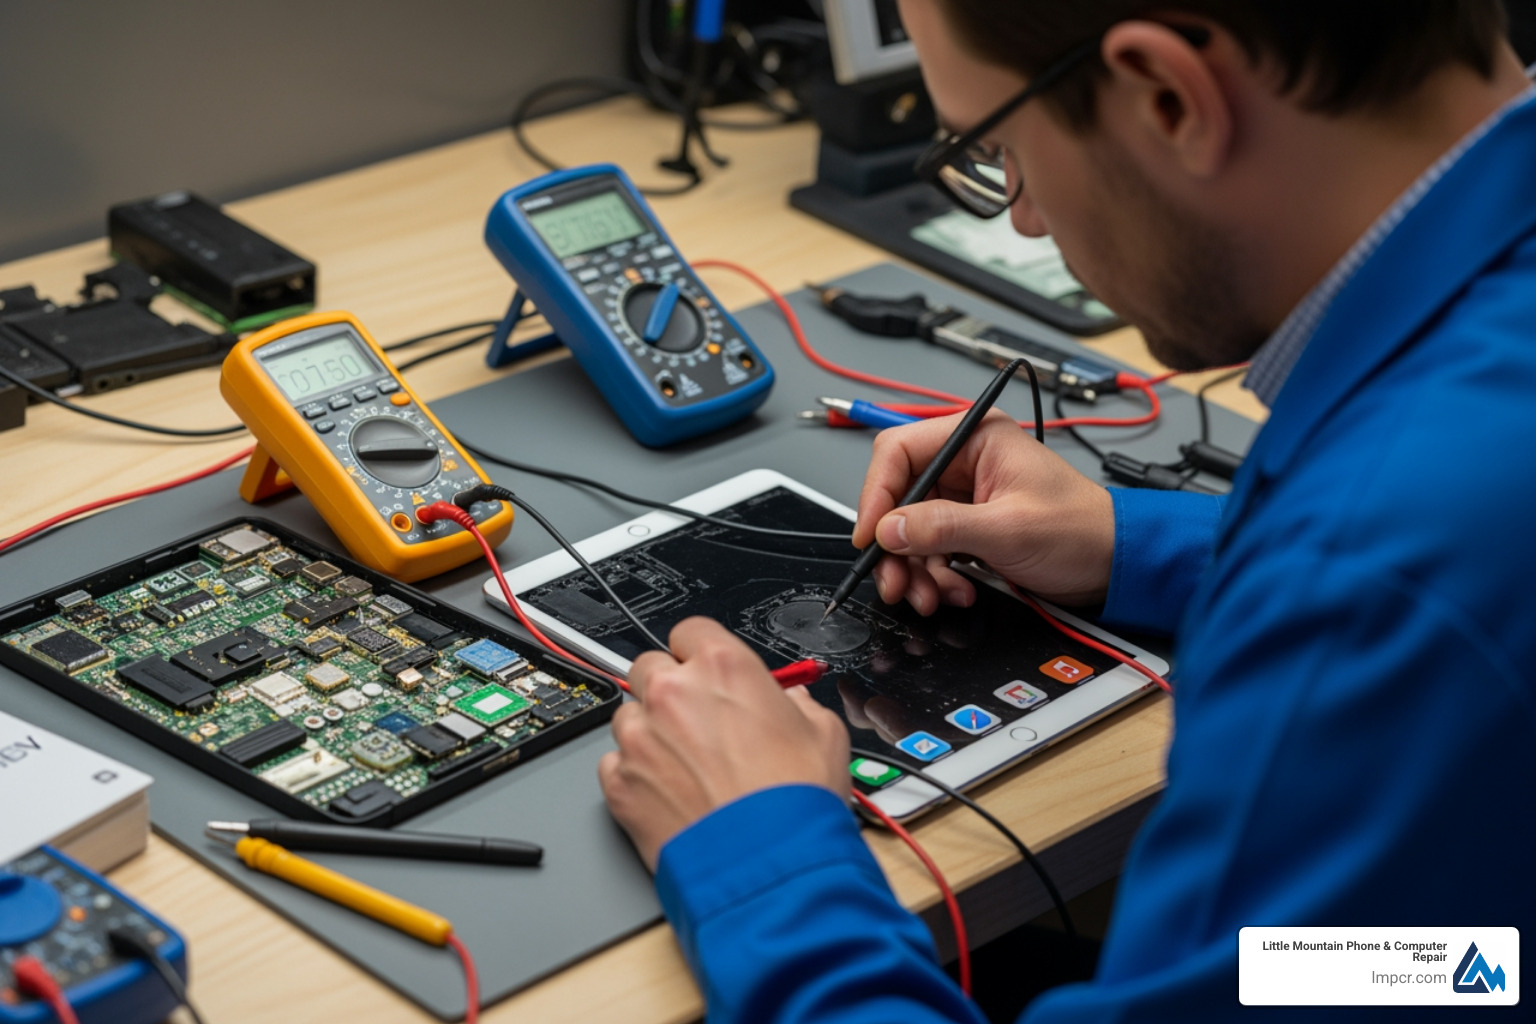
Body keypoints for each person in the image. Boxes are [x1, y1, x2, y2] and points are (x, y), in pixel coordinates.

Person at [597, 1, 1536, 1019]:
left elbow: (1404, 575)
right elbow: (1447, 964)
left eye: (999, 147)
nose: (1024, 218)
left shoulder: (1376, 576)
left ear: (1169, 97)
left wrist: (762, 856)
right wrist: (1142, 544)